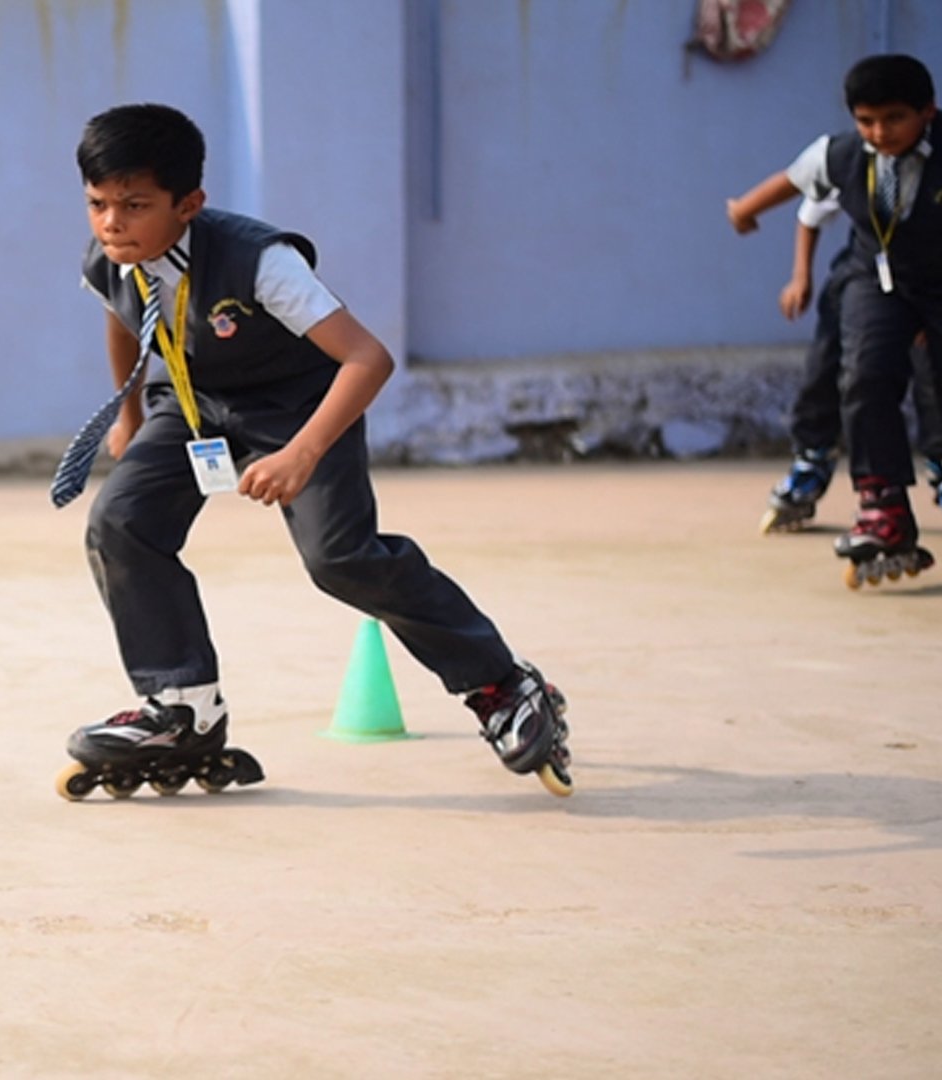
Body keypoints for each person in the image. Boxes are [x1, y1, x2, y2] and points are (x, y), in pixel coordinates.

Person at [47, 103, 572, 798]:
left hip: (296, 407)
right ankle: (183, 708)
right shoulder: (110, 257)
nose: (112, 223)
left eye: (135, 205)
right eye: (98, 204)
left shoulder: (262, 262)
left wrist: (301, 452)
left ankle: (501, 683)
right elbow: (124, 319)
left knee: (341, 559)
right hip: (194, 404)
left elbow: (367, 359)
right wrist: (132, 410)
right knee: (119, 522)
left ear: (189, 204)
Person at [727, 54, 942, 587]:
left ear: (927, 111)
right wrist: (744, 209)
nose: (879, 132)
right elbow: (793, 181)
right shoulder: (843, 152)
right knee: (864, 376)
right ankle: (883, 505)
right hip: (879, 282)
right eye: (867, 120)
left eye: (894, 118)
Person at [758, 194, 942, 535]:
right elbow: (810, 211)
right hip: (864, 276)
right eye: (872, 135)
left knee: (935, 373)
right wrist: (800, 276)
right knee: (831, 367)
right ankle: (812, 460)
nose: (882, 137)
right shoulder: (857, 157)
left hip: (932, 282)